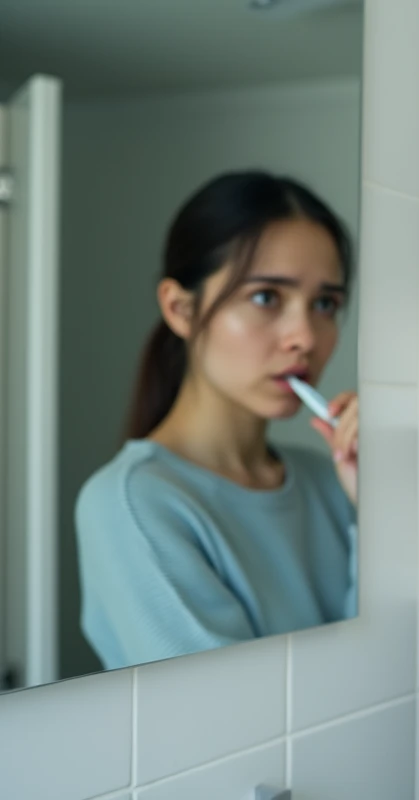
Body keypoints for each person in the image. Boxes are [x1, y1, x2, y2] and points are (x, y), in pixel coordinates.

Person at [76, 171, 359, 670]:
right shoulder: (132, 505)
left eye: (324, 304)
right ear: (180, 308)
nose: (305, 338)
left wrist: (378, 504)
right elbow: (228, 718)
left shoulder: (331, 481)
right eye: (267, 296)